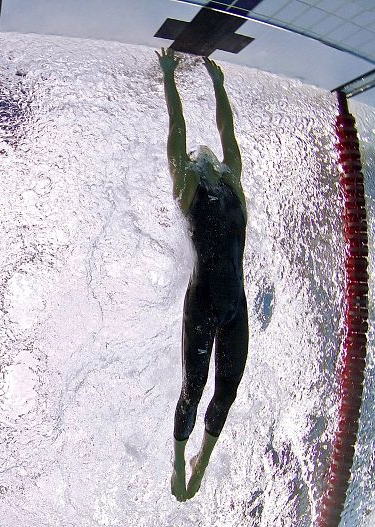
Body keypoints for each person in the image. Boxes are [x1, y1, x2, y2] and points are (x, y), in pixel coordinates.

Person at [156, 48, 248, 501]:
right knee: (193, 388)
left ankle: (202, 461)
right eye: (194, 152)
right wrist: (170, 79)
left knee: (226, 392)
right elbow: (178, 131)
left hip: (236, 308)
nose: (202, 149)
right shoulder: (187, 184)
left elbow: (227, 132)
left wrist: (219, 85)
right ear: (192, 160)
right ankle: (177, 458)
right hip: (203, 304)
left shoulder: (233, 181)